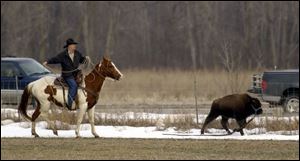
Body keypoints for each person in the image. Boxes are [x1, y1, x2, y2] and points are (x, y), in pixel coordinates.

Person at [43, 38, 89, 110]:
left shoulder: (77, 53)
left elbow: (82, 60)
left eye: (74, 45)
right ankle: (69, 104)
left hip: (76, 75)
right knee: (73, 85)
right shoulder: (63, 55)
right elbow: (55, 59)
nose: (74, 46)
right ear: (69, 46)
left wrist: (86, 59)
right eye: (73, 45)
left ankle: (80, 101)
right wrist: (48, 62)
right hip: (67, 76)